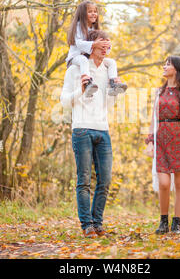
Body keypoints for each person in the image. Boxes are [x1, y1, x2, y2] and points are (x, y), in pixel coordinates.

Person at [60, 30, 125, 238]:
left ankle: (98, 223)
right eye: (101, 47)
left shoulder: (108, 70)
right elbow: (64, 101)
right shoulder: (76, 70)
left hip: (103, 129)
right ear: (91, 46)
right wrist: (81, 90)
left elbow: (109, 103)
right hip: (82, 129)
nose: (105, 51)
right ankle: (87, 225)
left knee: (105, 181)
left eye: (108, 47)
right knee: (84, 180)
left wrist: (114, 91)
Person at [145, 56, 180, 234]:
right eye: (165, 63)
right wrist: (150, 141)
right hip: (161, 139)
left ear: (177, 69)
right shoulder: (158, 92)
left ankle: (176, 223)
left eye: (168, 64)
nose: (164, 66)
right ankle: (163, 221)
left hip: (179, 139)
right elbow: (153, 119)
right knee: (163, 183)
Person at [66, 0, 127, 97]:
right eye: (90, 11)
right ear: (82, 14)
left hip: (89, 57)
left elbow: (102, 49)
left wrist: (107, 44)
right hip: (76, 57)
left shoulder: (94, 28)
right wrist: (94, 44)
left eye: (95, 11)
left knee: (111, 62)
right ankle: (87, 84)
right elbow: (79, 43)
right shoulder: (79, 26)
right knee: (83, 60)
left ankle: (113, 83)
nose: (93, 14)